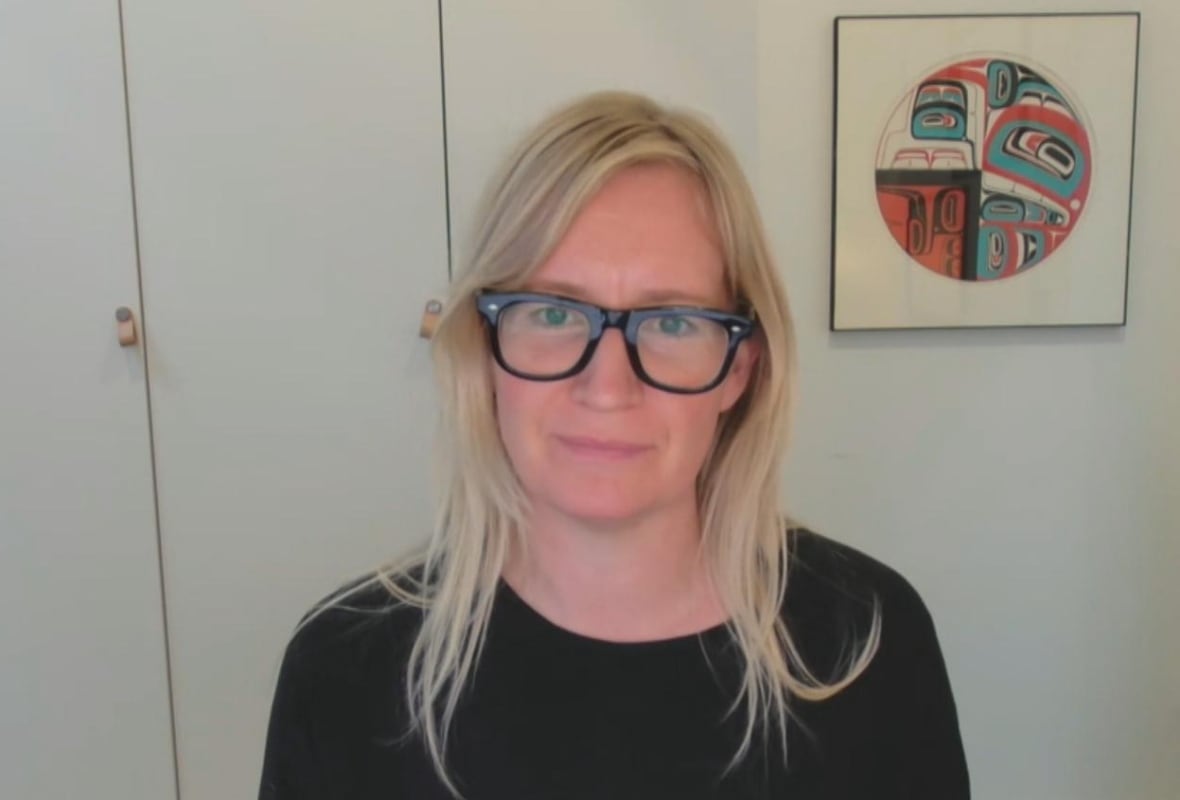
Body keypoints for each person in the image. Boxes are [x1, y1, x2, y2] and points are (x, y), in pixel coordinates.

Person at [259, 90, 970, 800]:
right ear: (484, 347)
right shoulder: (345, 668)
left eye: (672, 323)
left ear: (741, 367)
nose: (607, 387)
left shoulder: (866, 637)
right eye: (553, 312)